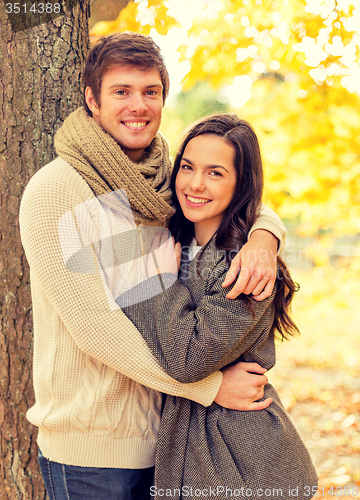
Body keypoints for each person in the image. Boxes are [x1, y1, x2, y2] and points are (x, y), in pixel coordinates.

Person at [19, 33, 287, 499]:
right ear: (92, 100)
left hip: (166, 441)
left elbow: (231, 195)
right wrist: (209, 387)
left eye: (150, 92)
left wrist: (266, 236)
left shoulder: (163, 176)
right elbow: (98, 327)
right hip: (91, 451)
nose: (137, 105)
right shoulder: (59, 190)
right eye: (121, 91)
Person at [119, 114, 318, 499]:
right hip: (186, 446)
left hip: (240, 459)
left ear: (240, 184)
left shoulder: (246, 268)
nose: (195, 184)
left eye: (215, 173)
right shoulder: (176, 241)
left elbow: (188, 358)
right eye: (188, 168)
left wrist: (158, 283)